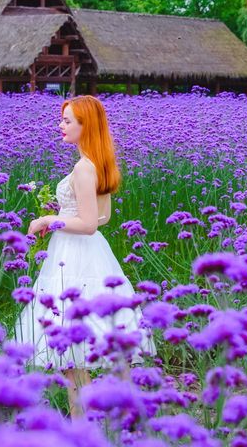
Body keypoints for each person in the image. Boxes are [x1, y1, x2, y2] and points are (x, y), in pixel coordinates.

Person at [13, 95, 157, 417]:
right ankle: (124, 415)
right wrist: (66, 215)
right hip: (92, 254)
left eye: (67, 121)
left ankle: (83, 424)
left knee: (69, 353)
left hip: (74, 255)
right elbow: (102, 218)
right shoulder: (98, 163)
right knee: (104, 338)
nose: (60, 126)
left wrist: (49, 220)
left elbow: (89, 224)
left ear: (85, 125)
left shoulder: (82, 167)